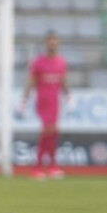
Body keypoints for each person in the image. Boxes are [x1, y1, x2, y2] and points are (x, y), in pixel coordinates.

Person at [18, 31, 69, 180]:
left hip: (55, 102)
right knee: (47, 131)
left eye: (55, 40)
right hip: (43, 102)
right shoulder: (38, 62)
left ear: (58, 43)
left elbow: (63, 81)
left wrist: (69, 95)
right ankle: (38, 167)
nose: (52, 43)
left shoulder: (61, 62)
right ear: (46, 43)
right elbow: (30, 82)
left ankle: (51, 166)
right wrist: (24, 100)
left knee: (53, 133)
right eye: (50, 40)